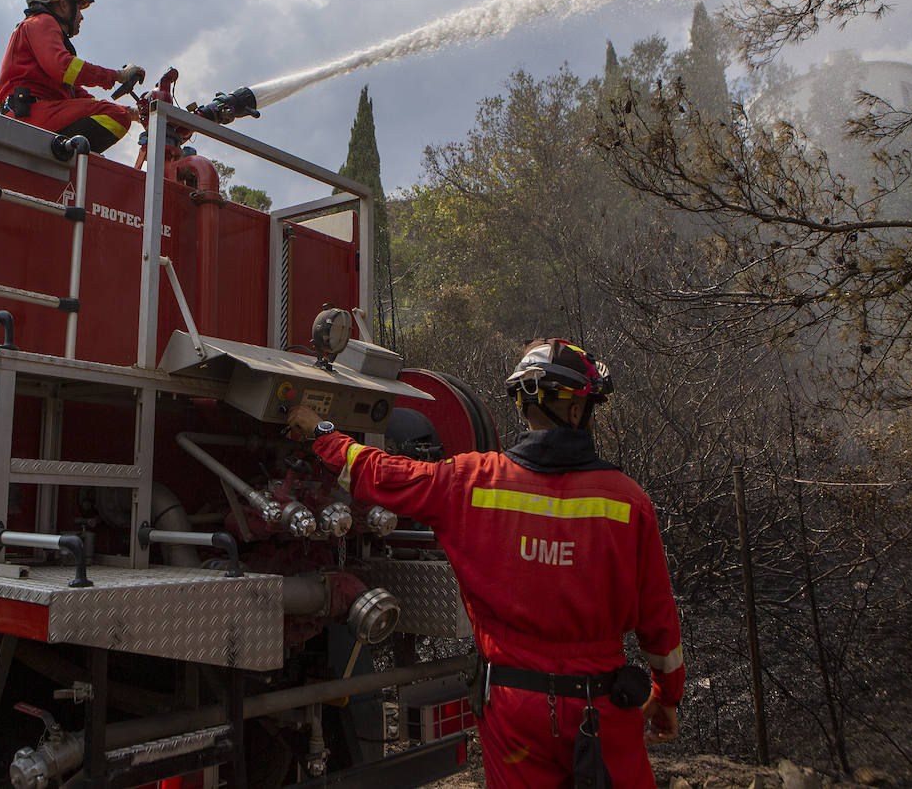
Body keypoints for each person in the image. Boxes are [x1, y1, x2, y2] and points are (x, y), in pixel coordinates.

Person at [287, 338, 684, 788]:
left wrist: (323, 435)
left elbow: (380, 474)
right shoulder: (628, 502)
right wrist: (666, 695)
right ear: (577, 411)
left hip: (514, 708)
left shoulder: (471, 481)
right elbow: (659, 621)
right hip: (603, 707)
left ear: (522, 406)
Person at [0, 0, 145, 153]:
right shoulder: (42, 22)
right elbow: (64, 67)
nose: (81, 17)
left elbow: (78, 96)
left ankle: (68, 157)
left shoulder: (39, 32)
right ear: (64, 5)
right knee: (116, 116)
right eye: (78, 7)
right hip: (30, 116)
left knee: (118, 113)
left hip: (32, 115)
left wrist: (133, 113)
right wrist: (118, 76)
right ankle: (68, 156)